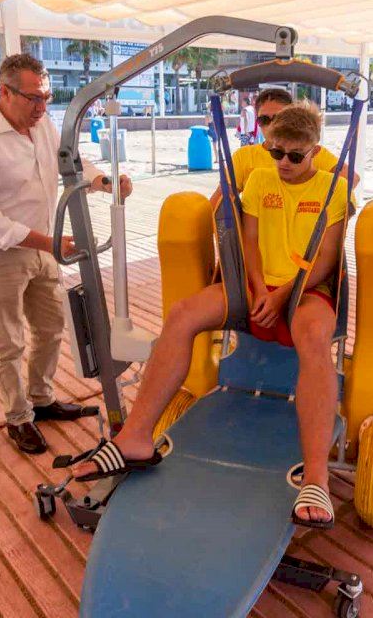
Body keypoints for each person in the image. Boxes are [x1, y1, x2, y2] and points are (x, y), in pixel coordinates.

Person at [68, 101, 348, 528]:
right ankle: (135, 438)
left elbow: (326, 260)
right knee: (182, 314)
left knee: (313, 339)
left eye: (295, 155)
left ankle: (316, 479)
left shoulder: (334, 188)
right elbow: (249, 242)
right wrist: (257, 289)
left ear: (315, 151)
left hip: (306, 289)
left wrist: (283, 296)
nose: (285, 163)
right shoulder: (259, 179)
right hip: (257, 286)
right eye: (276, 152)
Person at [0, 53, 132, 455]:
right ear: (4, 91)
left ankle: (41, 398)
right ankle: (18, 418)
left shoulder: (43, 125)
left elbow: (69, 160)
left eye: (47, 97)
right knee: (7, 339)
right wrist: (47, 242)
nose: (42, 106)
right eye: (34, 98)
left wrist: (104, 181)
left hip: (43, 245)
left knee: (51, 327)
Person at [211, 88, 347, 209]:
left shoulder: (309, 153)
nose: (271, 125)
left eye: (278, 118)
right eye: (264, 120)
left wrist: (312, 205)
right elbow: (219, 201)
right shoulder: (244, 156)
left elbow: (349, 179)